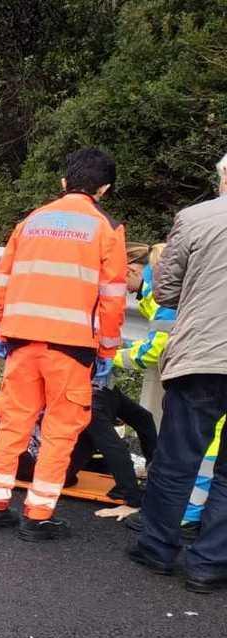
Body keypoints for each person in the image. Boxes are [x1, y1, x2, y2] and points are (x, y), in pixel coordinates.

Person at [0, 148, 128, 541]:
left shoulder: (30, 222)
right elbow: (112, 299)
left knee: (13, 426)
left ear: (64, 183)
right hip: (72, 349)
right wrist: (107, 352)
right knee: (60, 433)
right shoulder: (106, 228)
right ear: (105, 188)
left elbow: (3, 283)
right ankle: (37, 516)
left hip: (21, 341)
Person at [130, 151, 227, 592]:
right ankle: (209, 565)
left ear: (224, 176)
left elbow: (166, 290)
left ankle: (157, 549)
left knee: (178, 459)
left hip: (202, 357)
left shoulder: (196, 217)